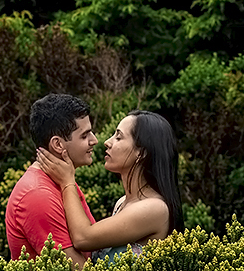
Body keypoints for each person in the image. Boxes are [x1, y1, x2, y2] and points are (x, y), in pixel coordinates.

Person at [36, 110, 184, 264]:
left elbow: (83, 238)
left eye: (118, 137)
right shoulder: (122, 202)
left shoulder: (154, 208)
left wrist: (67, 181)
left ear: (141, 153)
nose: (107, 141)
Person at [5, 94, 100, 265]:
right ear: (58, 144)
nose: (95, 140)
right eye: (85, 135)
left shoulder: (62, 178)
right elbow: (75, 267)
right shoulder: (37, 194)